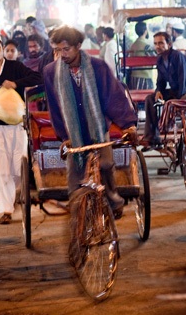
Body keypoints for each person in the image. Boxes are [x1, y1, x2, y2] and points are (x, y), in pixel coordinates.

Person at [43, 26, 138, 220]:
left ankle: (113, 201)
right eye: (58, 50)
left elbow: (114, 96)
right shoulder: (50, 71)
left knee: (105, 164)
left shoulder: (98, 67)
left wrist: (128, 124)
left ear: (78, 46)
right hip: (72, 132)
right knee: (75, 173)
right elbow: (55, 106)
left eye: (66, 49)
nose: (62, 54)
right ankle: (77, 212)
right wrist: (64, 136)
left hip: (97, 127)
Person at [0, 34, 43, 224]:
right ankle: (6, 209)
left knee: (18, 165)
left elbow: (37, 77)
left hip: (16, 126)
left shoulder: (15, 67)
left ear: (3, 49)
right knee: (0, 169)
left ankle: (20, 194)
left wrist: (16, 84)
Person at [141, 31, 186, 146]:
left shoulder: (177, 56)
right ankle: (152, 137)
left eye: (161, 43)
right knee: (150, 99)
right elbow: (160, 81)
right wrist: (159, 91)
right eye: (155, 43)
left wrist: (175, 99)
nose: (157, 46)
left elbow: (183, 81)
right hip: (176, 91)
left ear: (169, 44)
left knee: (181, 101)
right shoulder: (160, 60)